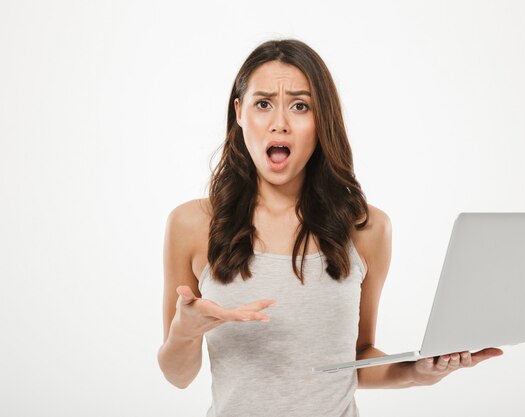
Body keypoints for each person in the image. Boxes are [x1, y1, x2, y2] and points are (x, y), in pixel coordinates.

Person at [157, 38, 503, 417]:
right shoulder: (191, 225)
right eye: (263, 104)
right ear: (239, 113)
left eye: (301, 106)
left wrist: (417, 373)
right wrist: (185, 331)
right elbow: (177, 375)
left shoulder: (367, 228)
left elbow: (357, 358)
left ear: (322, 120)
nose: (280, 124)